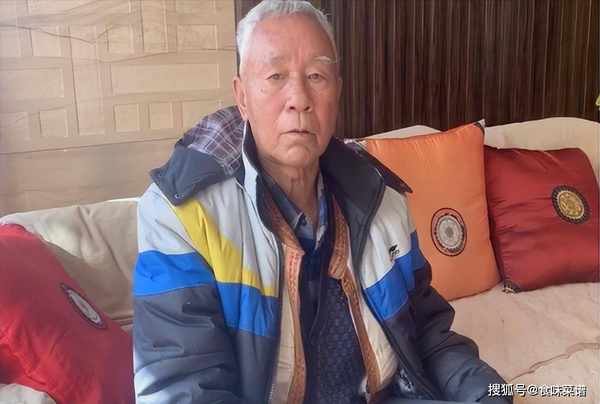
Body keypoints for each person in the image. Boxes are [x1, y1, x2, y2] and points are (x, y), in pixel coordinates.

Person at [132, 1, 511, 403]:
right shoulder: (182, 215)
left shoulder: (382, 199)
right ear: (242, 96)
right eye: (275, 76)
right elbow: (183, 387)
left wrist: (488, 394)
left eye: (316, 75)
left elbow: (429, 335)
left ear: (337, 91)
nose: (299, 98)